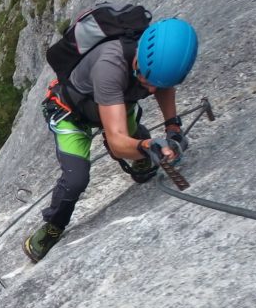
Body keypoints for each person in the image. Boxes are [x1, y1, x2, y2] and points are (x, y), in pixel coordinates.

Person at [24, 17, 199, 262]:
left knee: (133, 137)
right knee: (76, 179)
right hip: (71, 114)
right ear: (138, 59)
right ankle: (53, 226)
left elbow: (163, 85)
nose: (150, 90)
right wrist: (147, 147)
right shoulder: (110, 65)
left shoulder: (156, 63)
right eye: (145, 79)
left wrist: (173, 127)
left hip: (117, 101)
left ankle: (140, 160)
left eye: (155, 83)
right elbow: (117, 142)